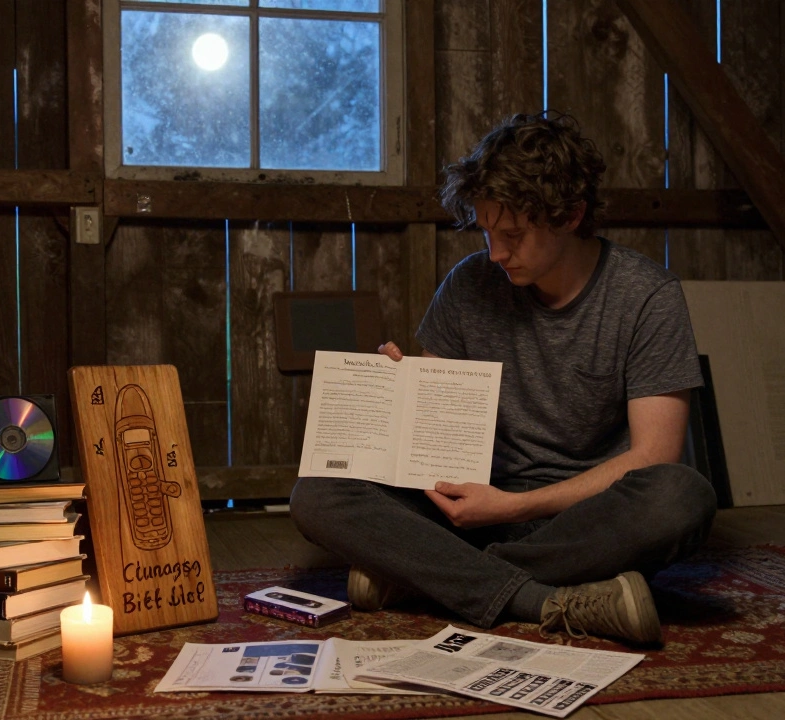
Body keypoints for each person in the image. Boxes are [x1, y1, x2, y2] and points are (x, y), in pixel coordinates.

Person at [289, 112, 717, 646]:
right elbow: (431, 440)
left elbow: (654, 455)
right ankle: (541, 599)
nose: (494, 253)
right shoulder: (470, 284)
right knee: (316, 491)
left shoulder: (646, 296)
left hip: (584, 521)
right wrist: (399, 392)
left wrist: (514, 506)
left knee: (681, 498)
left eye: (512, 234)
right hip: (471, 507)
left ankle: (428, 575)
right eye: (487, 231)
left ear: (570, 216)